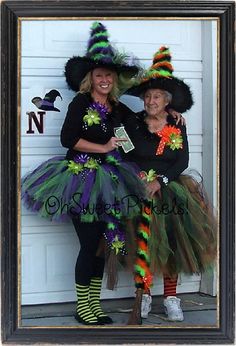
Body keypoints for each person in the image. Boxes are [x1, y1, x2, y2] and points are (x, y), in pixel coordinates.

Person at [123, 46, 217, 324]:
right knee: (143, 241)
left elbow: (182, 159)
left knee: (173, 244)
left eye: (157, 97)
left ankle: (172, 299)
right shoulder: (132, 122)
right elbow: (124, 152)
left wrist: (161, 180)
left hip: (172, 189)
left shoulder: (177, 124)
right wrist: (140, 177)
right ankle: (144, 294)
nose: (151, 101)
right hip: (138, 188)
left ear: (167, 101)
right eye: (148, 96)